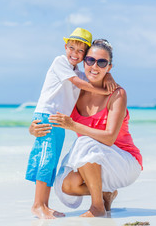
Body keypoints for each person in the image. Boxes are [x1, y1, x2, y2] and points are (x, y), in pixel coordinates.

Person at [30, 39, 142, 218]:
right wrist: (34, 128)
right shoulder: (75, 92)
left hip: (124, 162)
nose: (95, 66)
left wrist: (73, 125)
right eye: (90, 60)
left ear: (109, 67)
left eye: (102, 62)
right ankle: (105, 194)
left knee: (84, 142)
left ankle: (97, 207)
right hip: (96, 161)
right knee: (65, 186)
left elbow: (109, 139)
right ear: (83, 62)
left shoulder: (117, 94)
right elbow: (51, 110)